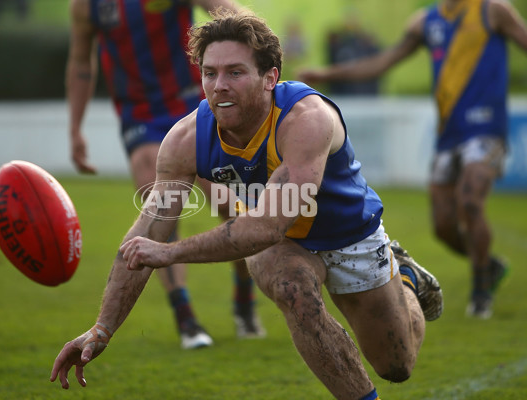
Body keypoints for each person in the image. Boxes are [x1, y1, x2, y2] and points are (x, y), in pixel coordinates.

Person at [51, 10, 444, 399]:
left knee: (397, 366)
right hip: (281, 244)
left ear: (270, 77)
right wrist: (101, 329)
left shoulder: (305, 119)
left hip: (349, 236)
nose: (219, 85)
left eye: (235, 73)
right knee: (292, 289)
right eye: (209, 73)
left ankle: (405, 278)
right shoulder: (185, 140)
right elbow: (148, 230)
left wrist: (169, 253)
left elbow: (265, 225)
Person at [297, 0, 527, 319]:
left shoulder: (493, 10)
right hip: (449, 133)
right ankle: (487, 265)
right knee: (443, 226)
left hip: (487, 128)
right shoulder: (424, 21)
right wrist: (327, 73)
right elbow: (383, 62)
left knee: (471, 203)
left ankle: (481, 290)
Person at [66, 0, 265, 350]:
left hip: (192, 102)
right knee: (159, 206)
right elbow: (82, 60)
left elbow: (224, 10)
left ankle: (245, 299)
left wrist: (260, 52)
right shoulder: (86, 5)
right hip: (139, 114)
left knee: (229, 204)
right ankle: (185, 316)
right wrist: (75, 129)